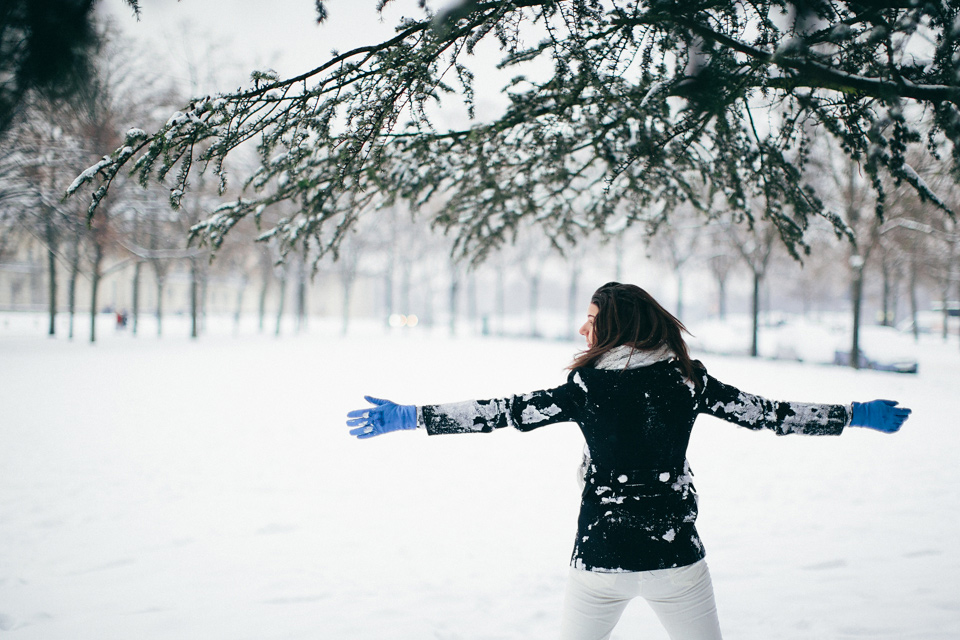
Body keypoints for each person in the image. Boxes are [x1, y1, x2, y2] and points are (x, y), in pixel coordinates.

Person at [346, 282, 912, 640]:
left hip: (600, 561)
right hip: (677, 560)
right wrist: (854, 413)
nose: (582, 328)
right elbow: (770, 413)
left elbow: (503, 412)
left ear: (612, 326)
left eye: (590, 318)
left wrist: (412, 417)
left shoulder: (586, 387)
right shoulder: (686, 380)